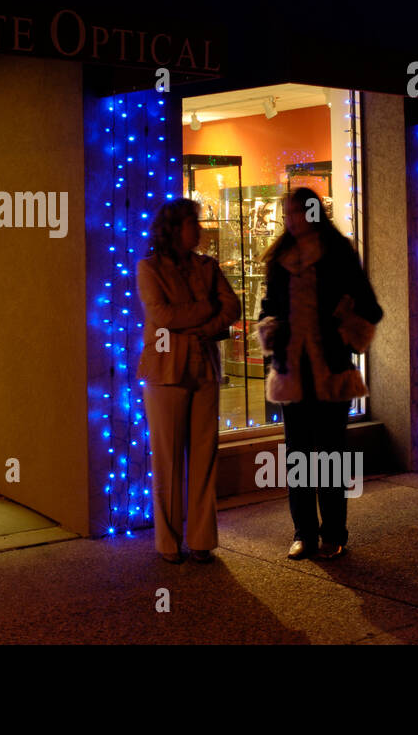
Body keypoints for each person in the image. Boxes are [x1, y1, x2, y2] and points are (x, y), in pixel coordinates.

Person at [256, 187, 383, 561]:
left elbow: (370, 307)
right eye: (287, 213)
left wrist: (344, 322)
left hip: (330, 367)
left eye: (296, 212)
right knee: (298, 454)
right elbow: (267, 307)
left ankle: (333, 532)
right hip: (292, 368)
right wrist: (271, 327)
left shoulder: (338, 253)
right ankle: (303, 533)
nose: (290, 219)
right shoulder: (279, 258)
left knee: (330, 452)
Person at [137, 198, 242, 564]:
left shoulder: (207, 266)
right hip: (166, 373)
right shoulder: (149, 268)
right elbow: (162, 315)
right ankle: (168, 543)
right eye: (192, 223)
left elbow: (232, 307)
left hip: (204, 371)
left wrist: (203, 327)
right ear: (173, 228)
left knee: (204, 459)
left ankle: (200, 540)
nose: (198, 229)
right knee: (166, 462)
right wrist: (206, 312)